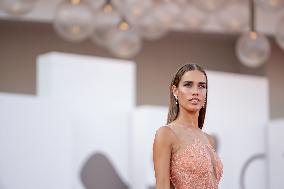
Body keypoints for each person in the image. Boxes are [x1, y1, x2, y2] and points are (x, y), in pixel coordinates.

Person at [153, 63, 223, 189]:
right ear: (175, 91)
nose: (195, 92)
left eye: (201, 86)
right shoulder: (166, 134)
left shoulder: (209, 140)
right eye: (188, 85)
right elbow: (162, 186)